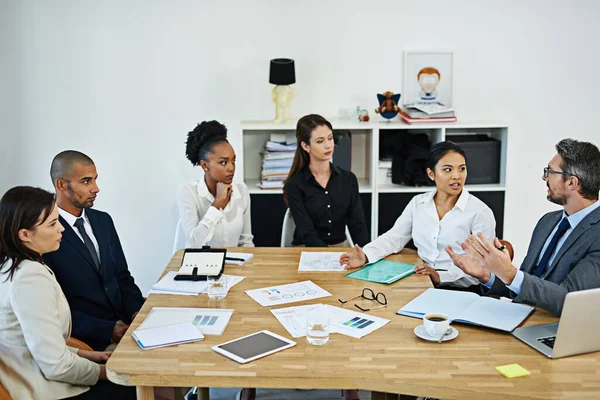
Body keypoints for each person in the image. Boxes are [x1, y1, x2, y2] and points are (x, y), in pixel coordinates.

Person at [0, 186, 136, 400]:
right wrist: (106, 373)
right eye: (53, 224)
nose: (61, 229)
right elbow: (54, 365)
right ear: (24, 234)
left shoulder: (12, 266)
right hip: (45, 391)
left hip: (41, 375)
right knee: (136, 387)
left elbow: (36, 344)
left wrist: (86, 355)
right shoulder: (30, 278)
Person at [447, 138, 600, 316]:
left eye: (549, 172)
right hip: (520, 318)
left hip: (554, 330)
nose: (544, 177)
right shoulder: (548, 222)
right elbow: (524, 287)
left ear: (572, 182)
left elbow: (567, 300)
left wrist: (509, 272)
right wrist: (487, 276)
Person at [340, 141, 496, 288]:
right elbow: (394, 238)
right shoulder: (418, 203)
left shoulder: (480, 212)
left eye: (461, 168)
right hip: (422, 279)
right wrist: (366, 256)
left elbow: (482, 268)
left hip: (461, 289)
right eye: (448, 169)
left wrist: (440, 277)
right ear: (431, 174)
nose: (457, 175)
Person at [43, 151, 144, 351]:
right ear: (62, 185)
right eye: (86, 181)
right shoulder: (46, 232)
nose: (96, 189)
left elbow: (122, 277)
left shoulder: (103, 221)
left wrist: (137, 313)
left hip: (126, 327)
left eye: (95, 180)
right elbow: (55, 307)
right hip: (89, 341)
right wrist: (109, 330)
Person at [283, 114, 370, 248]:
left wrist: (367, 254)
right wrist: (328, 256)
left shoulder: (348, 179)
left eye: (330, 138)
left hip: (340, 248)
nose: (328, 145)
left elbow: (357, 224)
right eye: (319, 141)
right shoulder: (294, 185)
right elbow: (307, 233)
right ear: (306, 146)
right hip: (306, 249)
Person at [174, 120, 254, 250]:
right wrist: (217, 205)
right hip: (197, 267)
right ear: (205, 165)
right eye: (223, 162)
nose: (231, 168)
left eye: (233, 161)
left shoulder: (241, 190)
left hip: (233, 267)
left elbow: (246, 242)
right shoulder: (188, 192)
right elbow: (194, 243)